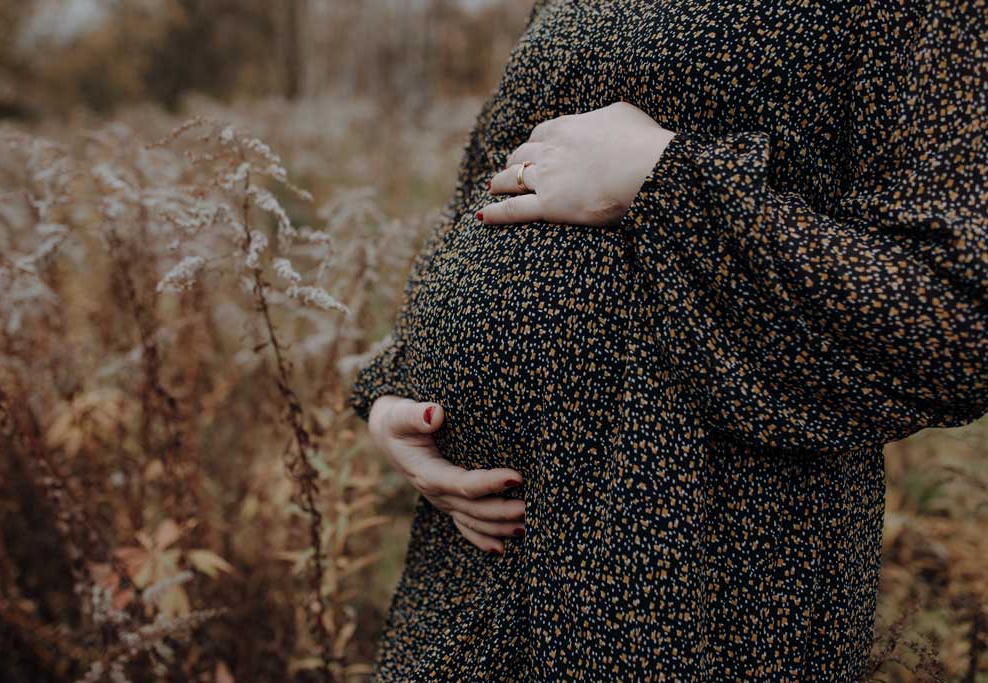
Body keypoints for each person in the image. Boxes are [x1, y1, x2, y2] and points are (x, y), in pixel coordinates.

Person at [350, 0, 988, 679]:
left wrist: (666, 177)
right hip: (477, 545)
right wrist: (396, 390)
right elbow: (485, 187)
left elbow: (959, 318)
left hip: (690, 544)